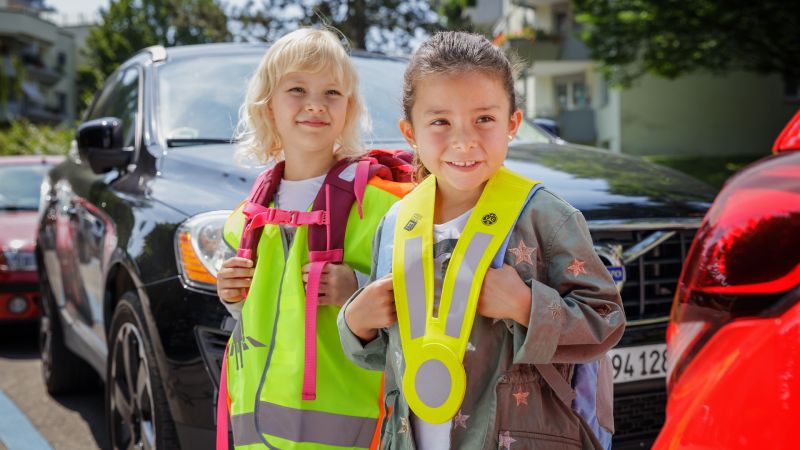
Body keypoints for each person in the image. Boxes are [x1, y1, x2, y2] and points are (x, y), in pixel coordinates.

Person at [338, 31, 625, 449]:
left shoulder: (545, 216)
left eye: (484, 119)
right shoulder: (397, 223)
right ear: (409, 133)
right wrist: (356, 323)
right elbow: (391, 354)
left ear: (513, 124)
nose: (464, 140)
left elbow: (606, 322)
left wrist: (527, 306)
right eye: (440, 122)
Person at [215, 27, 412, 450]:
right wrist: (231, 293)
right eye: (298, 89)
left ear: (349, 108)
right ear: (267, 106)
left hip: (353, 429)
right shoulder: (247, 217)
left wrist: (356, 290)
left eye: (332, 93)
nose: (315, 105)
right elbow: (259, 312)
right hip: (257, 430)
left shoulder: (379, 207)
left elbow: (419, 302)